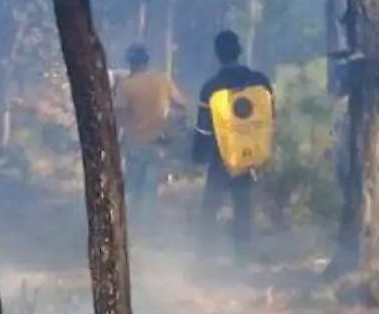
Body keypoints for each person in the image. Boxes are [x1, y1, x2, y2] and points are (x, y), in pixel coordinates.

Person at [192, 29, 274, 262]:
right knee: (243, 207)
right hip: (250, 156)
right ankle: (243, 257)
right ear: (239, 51)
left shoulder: (211, 88)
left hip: (221, 157)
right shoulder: (260, 82)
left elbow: (204, 129)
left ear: (218, 55)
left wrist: (198, 156)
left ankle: (204, 258)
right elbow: (269, 117)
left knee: (211, 208)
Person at [115, 43, 186, 224]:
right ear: (146, 61)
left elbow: (119, 117)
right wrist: (171, 128)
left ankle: (132, 225)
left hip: (136, 143)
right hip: (159, 143)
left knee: (134, 188)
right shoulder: (162, 80)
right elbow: (181, 105)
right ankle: (150, 226)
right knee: (151, 187)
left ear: (131, 62)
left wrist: (119, 140)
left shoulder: (126, 86)